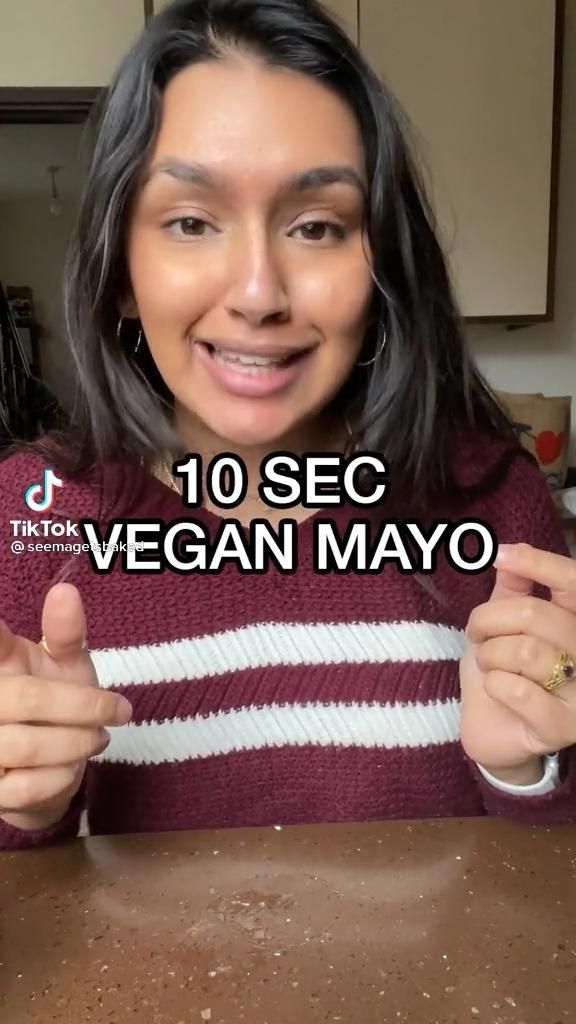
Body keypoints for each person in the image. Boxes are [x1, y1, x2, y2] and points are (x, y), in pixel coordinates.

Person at [0, 0, 575, 851]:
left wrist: (528, 773)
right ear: (120, 269)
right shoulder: (33, 519)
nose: (260, 294)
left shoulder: (497, 511)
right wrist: (25, 809)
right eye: (191, 222)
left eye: (317, 226)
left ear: (382, 264)